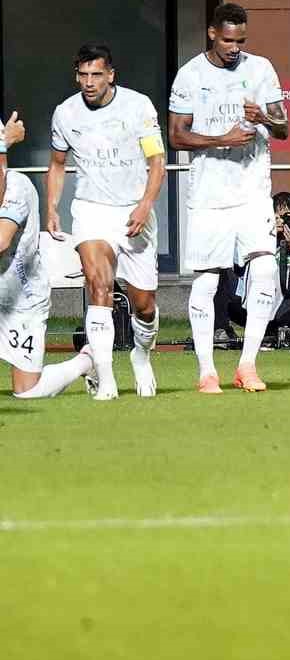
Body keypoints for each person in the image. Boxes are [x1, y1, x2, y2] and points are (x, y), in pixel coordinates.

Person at [169, 3, 288, 393]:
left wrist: (264, 119)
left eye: (241, 40)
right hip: (208, 195)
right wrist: (222, 140)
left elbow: (283, 128)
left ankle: (248, 365)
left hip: (252, 191)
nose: (235, 47)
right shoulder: (189, 75)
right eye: (228, 40)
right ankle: (206, 371)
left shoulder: (261, 69)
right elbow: (176, 135)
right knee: (206, 279)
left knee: (266, 269)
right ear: (211, 33)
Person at [44, 44, 166, 400]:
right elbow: (56, 164)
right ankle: (106, 378)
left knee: (143, 303)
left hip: (133, 211)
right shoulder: (65, 113)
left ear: (111, 75)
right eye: (83, 75)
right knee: (99, 285)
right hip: (91, 210)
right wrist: (52, 206)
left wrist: (145, 205)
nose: (89, 82)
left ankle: (141, 355)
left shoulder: (138, 105)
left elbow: (156, 161)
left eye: (96, 75)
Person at [4, 113, 98, 399]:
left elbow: (1, 240)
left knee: (27, 392)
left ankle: (86, 361)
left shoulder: (16, 189)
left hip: (21, 300)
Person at [208, 190, 290, 350]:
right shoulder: (256, 237)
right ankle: (221, 332)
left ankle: (286, 334)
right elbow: (236, 265)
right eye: (280, 217)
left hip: (283, 305)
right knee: (219, 272)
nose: (286, 223)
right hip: (250, 304)